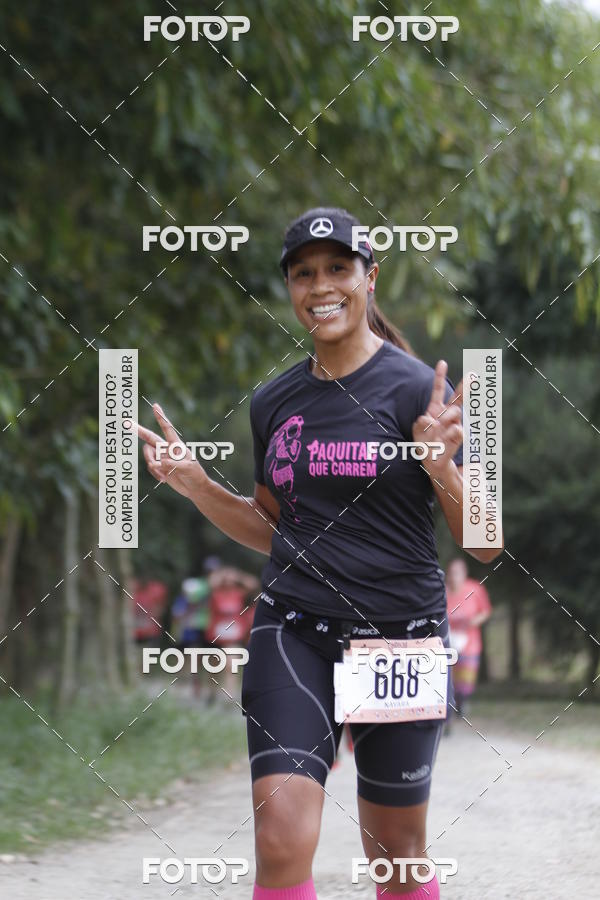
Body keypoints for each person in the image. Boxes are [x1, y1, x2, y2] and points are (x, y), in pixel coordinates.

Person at [133, 206, 504, 899]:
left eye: (338, 268)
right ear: (290, 288)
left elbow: (486, 544)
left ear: (370, 278)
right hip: (294, 630)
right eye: (304, 273)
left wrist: (440, 467)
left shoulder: (421, 392)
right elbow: (272, 527)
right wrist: (195, 485)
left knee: (397, 854)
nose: (321, 285)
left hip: (401, 639)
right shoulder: (274, 401)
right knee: (279, 842)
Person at [445, 557, 493, 721]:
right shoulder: (443, 591)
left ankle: (461, 703)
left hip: (470, 643)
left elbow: (485, 611)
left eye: (457, 573)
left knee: (465, 681)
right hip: (449, 643)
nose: (454, 577)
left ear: (464, 574)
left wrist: (473, 621)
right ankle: (450, 710)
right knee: (449, 679)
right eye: (451, 573)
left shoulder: (475, 589)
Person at [205, 561, 260, 701]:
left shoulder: (239, 594)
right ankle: (211, 694)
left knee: (231, 665)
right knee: (213, 668)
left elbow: (253, 584)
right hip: (215, 636)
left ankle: (229, 697)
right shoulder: (216, 593)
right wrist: (222, 574)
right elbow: (210, 583)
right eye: (227, 578)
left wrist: (237, 576)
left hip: (233, 638)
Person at [171, 572, 212, 700]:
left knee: (196, 661)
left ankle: (196, 688)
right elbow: (176, 616)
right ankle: (180, 686)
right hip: (184, 635)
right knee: (182, 661)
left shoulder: (204, 602)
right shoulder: (182, 601)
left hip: (197, 633)